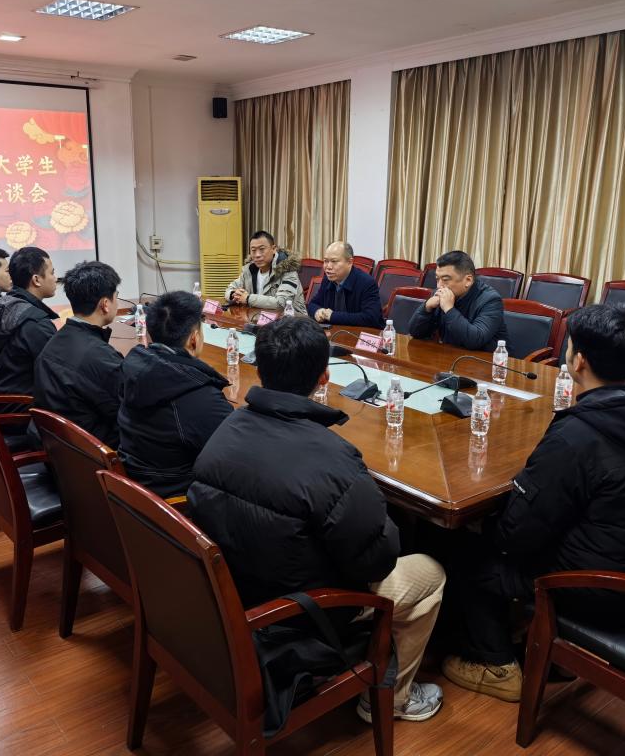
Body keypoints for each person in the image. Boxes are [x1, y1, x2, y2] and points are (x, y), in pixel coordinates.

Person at [187, 317, 446, 723]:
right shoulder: (334, 458)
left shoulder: (227, 427)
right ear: (324, 376)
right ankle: (392, 698)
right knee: (430, 572)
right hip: (302, 613)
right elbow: (377, 562)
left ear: (260, 369)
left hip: (237, 588)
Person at [439, 303, 625, 703]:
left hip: (604, 590)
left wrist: (485, 522)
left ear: (578, 361)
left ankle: (494, 662)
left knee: (463, 550)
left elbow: (514, 535)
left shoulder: (577, 437)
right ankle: (532, 634)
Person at [117, 290, 232, 498]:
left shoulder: (133, 369)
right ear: (194, 339)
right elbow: (236, 456)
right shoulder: (200, 398)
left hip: (137, 489)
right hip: (178, 501)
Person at [30, 261, 124, 448]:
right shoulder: (100, 358)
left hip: (61, 447)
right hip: (94, 452)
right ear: (105, 304)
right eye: (116, 296)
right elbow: (126, 410)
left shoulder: (56, 340)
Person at [0, 246, 59, 397]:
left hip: (0, 395)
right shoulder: (36, 323)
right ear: (36, 280)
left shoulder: (5, 303)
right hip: (23, 404)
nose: (55, 278)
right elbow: (57, 371)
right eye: (52, 273)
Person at [408, 251, 507, 351]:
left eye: (445, 280)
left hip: (486, 358)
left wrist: (449, 309)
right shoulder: (441, 293)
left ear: (468, 280)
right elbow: (415, 333)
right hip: (450, 354)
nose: (439, 286)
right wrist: (426, 308)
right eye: (437, 279)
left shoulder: (491, 300)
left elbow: (475, 340)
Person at [225, 230, 306, 314]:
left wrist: (248, 298)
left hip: (292, 319)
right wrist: (234, 294)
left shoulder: (288, 270)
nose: (257, 255)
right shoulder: (249, 270)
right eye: (253, 250)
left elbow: (281, 303)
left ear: (273, 249)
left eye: (262, 249)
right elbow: (229, 289)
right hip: (259, 318)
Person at [306, 241, 382, 328]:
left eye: (334, 261)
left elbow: (370, 317)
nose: (328, 267)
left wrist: (332, 316)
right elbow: (312, 304)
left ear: (349, 262)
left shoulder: (367, 282)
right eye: (326, 261)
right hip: (334, 331)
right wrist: (317, 311)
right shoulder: (328, 279)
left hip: (360, 333)